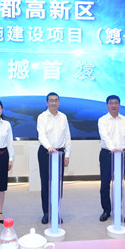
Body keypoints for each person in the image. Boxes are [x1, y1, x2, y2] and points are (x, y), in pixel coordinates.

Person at [36, 92, 72, 225]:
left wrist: (67, 155)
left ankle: (55, 211)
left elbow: (67, 136)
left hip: (60, 153)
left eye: (56, 100)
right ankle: (46, 212)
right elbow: (41, 135)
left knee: (57, 184)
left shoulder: (63, 117)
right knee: (46, 183)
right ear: (47, 103)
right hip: (45, 153)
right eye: (51, 100)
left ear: (59, 102)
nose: (54, 103)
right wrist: (50, 147)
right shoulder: (42, 117)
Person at [98, 95, 125, 221]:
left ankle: (118, 211)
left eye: (116, 103)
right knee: (105, 184)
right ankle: (106, 211)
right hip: (107, 154)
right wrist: (113, 149)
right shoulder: (102, 120)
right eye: (111, 103)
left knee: (119, 185)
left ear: (119, 105)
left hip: (122, 155)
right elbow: (104, 137)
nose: (113, 105)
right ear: (107, 105)